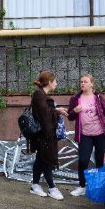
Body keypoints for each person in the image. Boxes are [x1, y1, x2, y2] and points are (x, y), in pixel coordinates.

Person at [67, 74, 105, 197]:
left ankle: (99, 187)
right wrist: (74, 111)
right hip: (85, 134)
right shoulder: (75, 98)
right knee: (83, 160)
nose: (82, 84)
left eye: (85, 81)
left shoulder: (98, 97)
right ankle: (82, 186)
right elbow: (70, 117)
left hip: (100, 134)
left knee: (100, 161)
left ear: (92, 84)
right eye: (81, 82)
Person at [29, 70, 68, 200]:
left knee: (40, 159)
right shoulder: (39, 95)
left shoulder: (42, 95)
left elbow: (47, 111)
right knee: (46, 160)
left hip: (45, 134)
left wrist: (56, 110)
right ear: (50, 82)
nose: (56, 84)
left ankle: (35, 185)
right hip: (43, 135)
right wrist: (56, 112)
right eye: (55, 81)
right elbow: (45, 115)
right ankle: (52, 188)